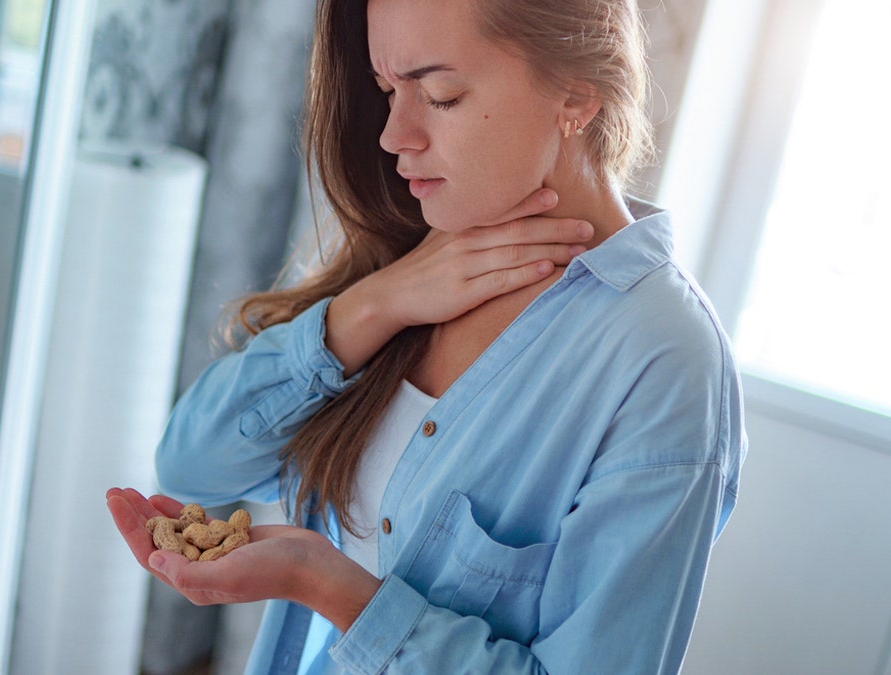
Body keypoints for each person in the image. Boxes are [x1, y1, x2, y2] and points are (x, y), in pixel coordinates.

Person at [107, 0, 747, 672]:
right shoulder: (419, 251)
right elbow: (191, 464)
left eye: (441, 95)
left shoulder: (665, 364)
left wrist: (324, 581)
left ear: (578, 93)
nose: (394, 135)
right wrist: (376, 303)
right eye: (388, 91)